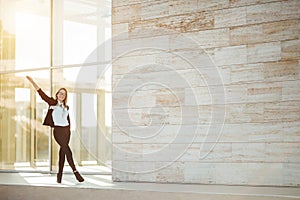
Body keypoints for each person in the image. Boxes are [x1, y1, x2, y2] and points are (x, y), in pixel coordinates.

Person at [26, 76, 84, 183]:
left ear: (65, 96)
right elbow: (41, 93)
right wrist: (32, 81)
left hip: (67, 131)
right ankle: (75, 172)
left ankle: (59, 176)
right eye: (60, 93)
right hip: (58, 131)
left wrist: (69, 130)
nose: (62, 95)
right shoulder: (52, 103)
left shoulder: (66, 107)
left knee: (63, 152)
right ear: (57, 94)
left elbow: (68, 120)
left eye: (64, 94)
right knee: (67, 150)